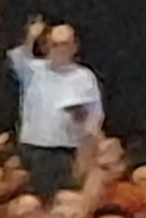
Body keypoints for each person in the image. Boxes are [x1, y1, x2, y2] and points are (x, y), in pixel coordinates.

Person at [8, 19, 100, 197]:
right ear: (46, 47)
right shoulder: (34, 70)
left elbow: (92, 118)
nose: (60, 50)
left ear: (74, 47)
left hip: (62, 150)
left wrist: (87, 150)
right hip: (29, 148)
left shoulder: (84, 77)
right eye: (55, 44)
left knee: (56, 197)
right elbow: (17, 57)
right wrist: (31, 37)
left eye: (65, 44)